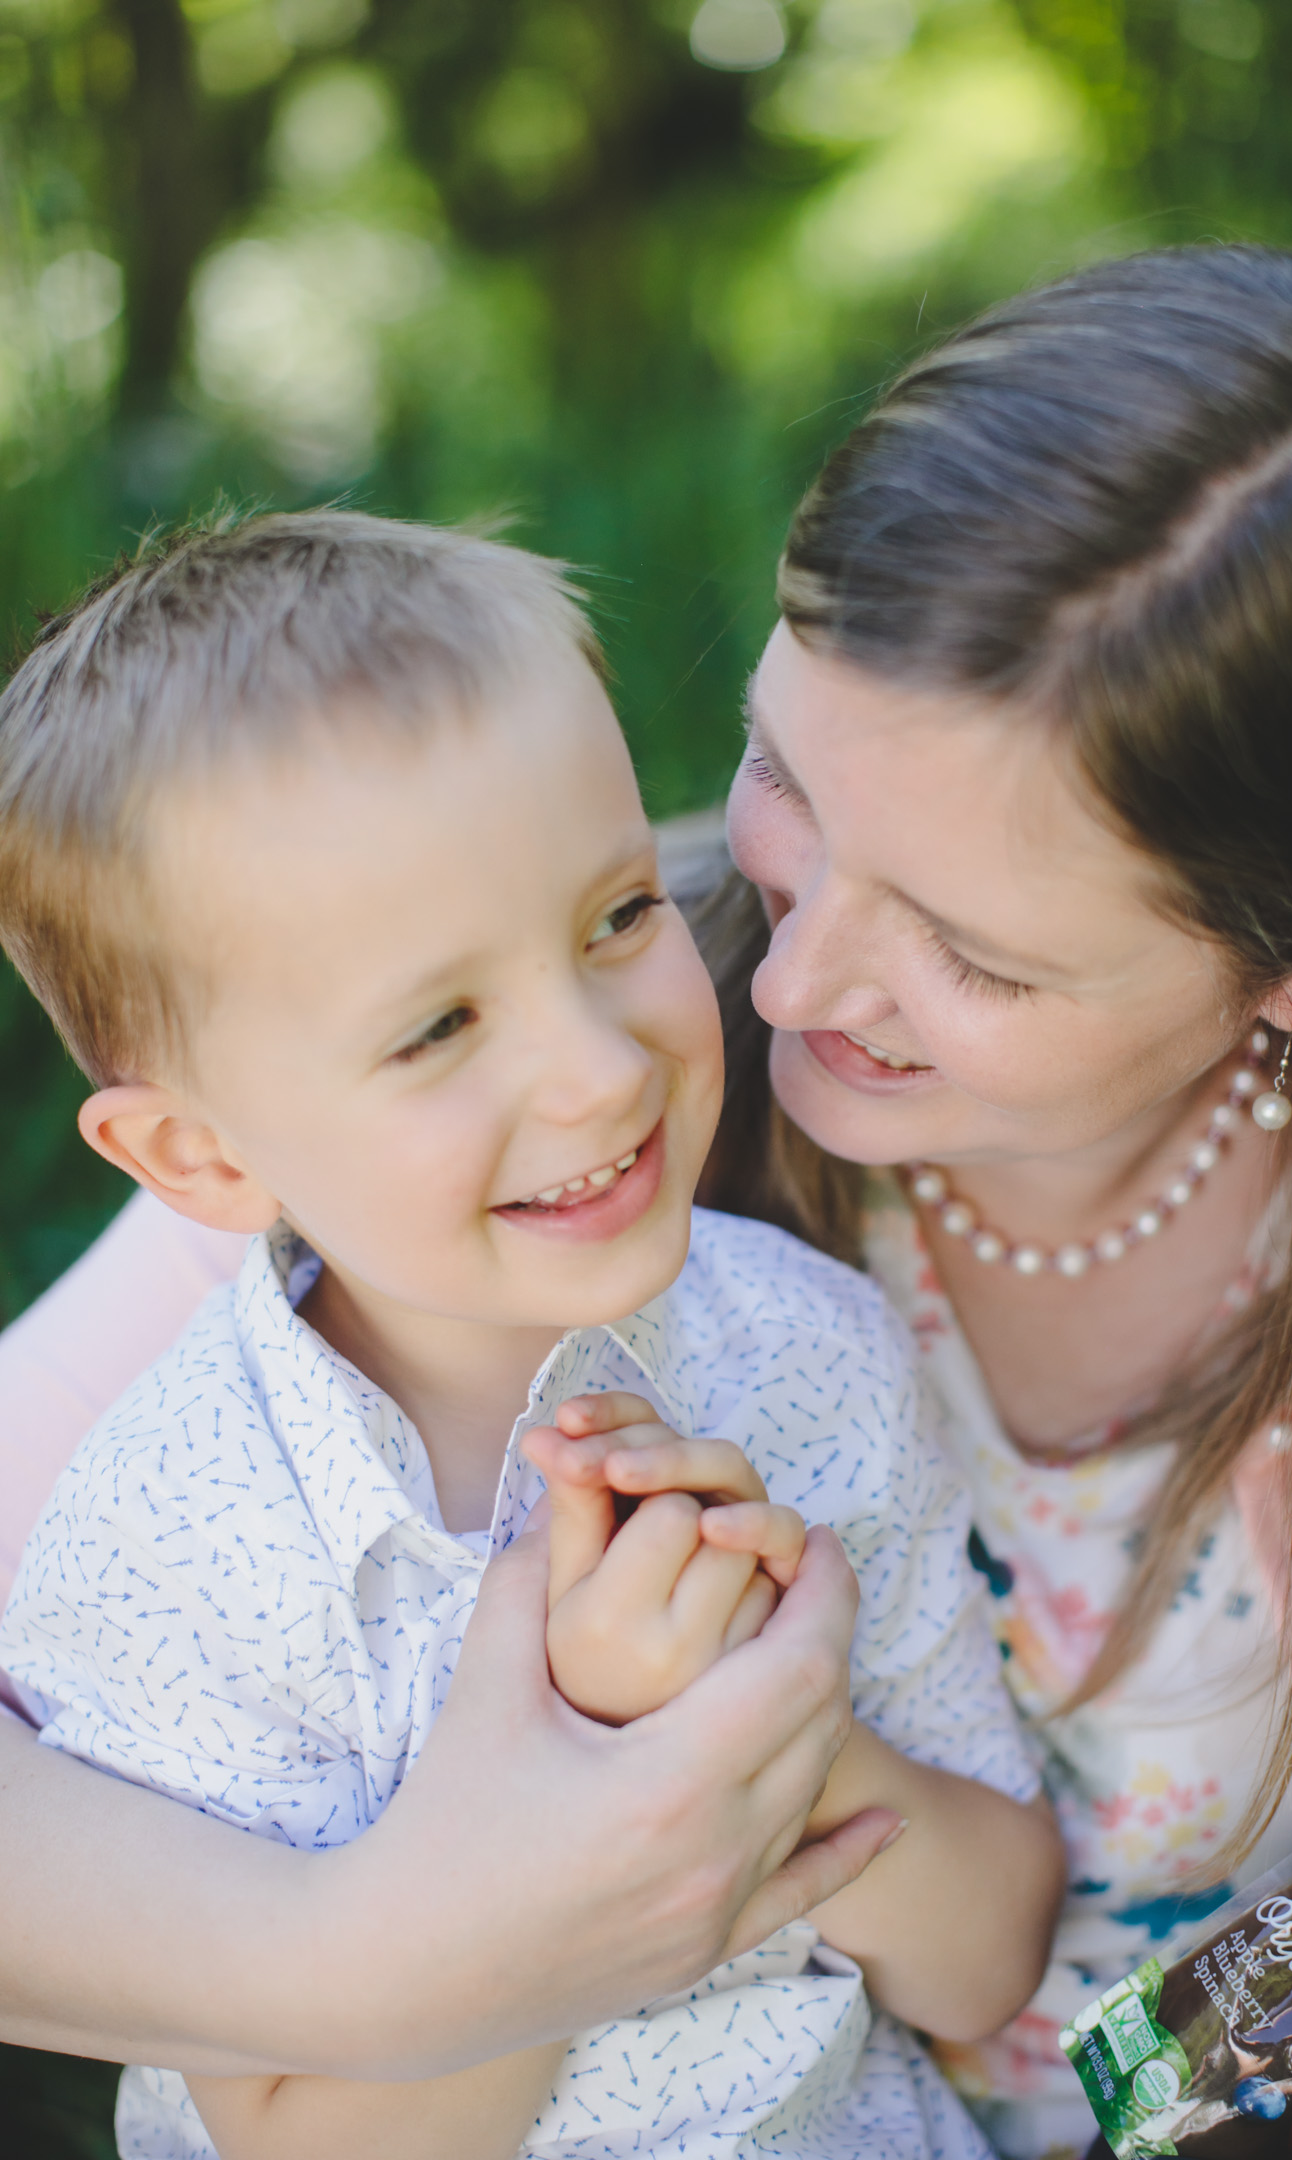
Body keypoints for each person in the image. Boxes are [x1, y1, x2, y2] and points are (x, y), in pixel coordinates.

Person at [10, 242, 1292, 2160]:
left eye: (969, 953)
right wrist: (411, 1940)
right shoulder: (453, 1094)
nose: (776, 983)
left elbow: (1171, 2006)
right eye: (787, 775)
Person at [0, 511, 1060, 2160]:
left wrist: (787, 1718)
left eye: (621, 917)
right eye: (438, 1026)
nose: (597, 1070)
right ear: (200, 1159)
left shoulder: (810, 1351)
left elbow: (985, 1957)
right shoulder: (177, 1540)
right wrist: (620, 1775)